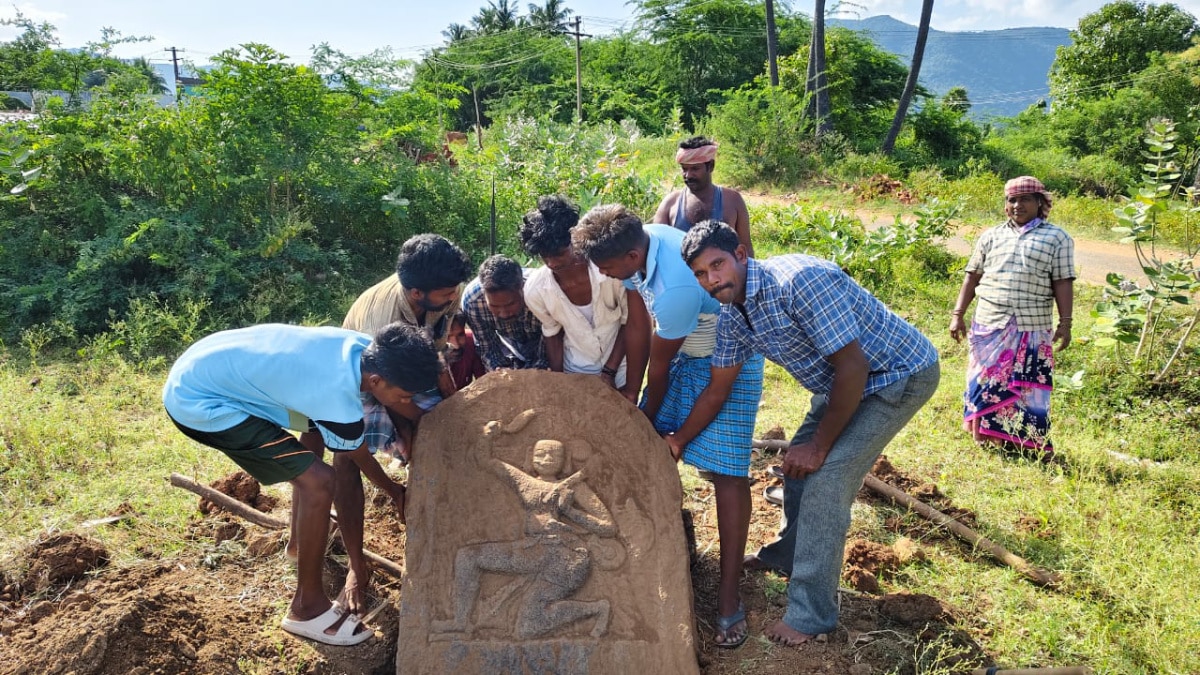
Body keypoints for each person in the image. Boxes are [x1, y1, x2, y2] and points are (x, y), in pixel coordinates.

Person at [681, 220, 941, 648]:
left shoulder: (799, 282)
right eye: (700, 274)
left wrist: (819, 445)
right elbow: (717, 388)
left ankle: (811, 615)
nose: (712, 280)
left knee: (824, 483)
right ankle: (786, 555)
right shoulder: (732, 314)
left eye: (717, 265)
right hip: (839, 384)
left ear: (741, 255)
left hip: (895, 375)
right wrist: (677, 439)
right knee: (795, 468)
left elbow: (854, 367)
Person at [162, 322, 440, 646]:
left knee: (314, 431)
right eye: (403, 396)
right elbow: (360, 458)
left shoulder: (365, 349)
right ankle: (306, 608)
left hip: (204, 363)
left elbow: (328, 420)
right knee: (320, 482)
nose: (406, 403)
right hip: (199, 402)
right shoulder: (337, 397)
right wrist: (395, 492)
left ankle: (298, 545)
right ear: (376, 382)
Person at [571, 204, 764, 649]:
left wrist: (643, 417)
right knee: (652, 445)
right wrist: (635, 408)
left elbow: (659, 369)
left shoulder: (675, 286)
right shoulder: (646, 241)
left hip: (725, 360)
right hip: (686, 355)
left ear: (632, 256)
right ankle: (659, 549)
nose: (604, 275)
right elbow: (643, 328)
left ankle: (729, 596)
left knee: (727, 473)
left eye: (606, 268)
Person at [430, 416, 616, 640]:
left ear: (565, 459)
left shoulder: (575, 487)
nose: (547, 458)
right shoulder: (524, 482)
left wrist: (570, 512)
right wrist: (488, 435)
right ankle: (460, 622)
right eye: (541, 454)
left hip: (566, 557)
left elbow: (608, 527)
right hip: (533, 549)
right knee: (468, 557)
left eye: (554, 454)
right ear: (531, 456)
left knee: (527, 627)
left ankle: (597, 609)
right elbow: (486, 461)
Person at [949, 176, 1074, 455]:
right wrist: (958, 314)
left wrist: (1065, 323)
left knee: (1028, 388)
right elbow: (972, 276)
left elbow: (1063, 281)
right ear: (1006, 205)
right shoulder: (991, 236)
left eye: (1025, 199)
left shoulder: (1057, 238)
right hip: (989, 322)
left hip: (1032, 325)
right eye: (1012, 200)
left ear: (1040, 203)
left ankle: (1020, 442)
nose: (1017, 205)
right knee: (983, 380)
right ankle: (984, 436)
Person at [342, 233, 474, 458]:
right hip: (365, 376)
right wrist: (413, 425)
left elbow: (436, 351)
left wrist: (452, 403)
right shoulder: (381, 322)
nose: (454, 297)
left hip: (409, 364)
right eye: (447, 294)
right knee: (370, 443)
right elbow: (386, 388)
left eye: (455, 290)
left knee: (444, 415)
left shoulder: (446, 289)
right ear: (416, 293)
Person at [519, 194, 651, 404]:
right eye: (545, 257)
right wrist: (560, 381)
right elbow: (552, 335)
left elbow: (631, 323)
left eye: (560, 253)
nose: (552, 263)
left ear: (574, 240)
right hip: (576, 372)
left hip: (622, 369)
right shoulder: (536, 291)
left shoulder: (612, 272)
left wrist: (609, 371)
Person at [652, 135, 754, 256]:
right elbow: (656, 248)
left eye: (695, 169)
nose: (688, 175)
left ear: (711, 166)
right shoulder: (670, 203)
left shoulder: (732, 201)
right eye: (684, 169)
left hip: (722, 275)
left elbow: (745, 247)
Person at [460, 254, 549, 371]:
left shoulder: (541, 291)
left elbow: (552, 336)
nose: (503, 313)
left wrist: (539, 369)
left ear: (522, 288)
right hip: (506, 342)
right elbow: (487, 346)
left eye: (510, 305)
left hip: (542, 338)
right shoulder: (473, 302)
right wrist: (499, 369)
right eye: (494, 306)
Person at [445, 311, 486, 390]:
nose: (456, 345)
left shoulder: (471, 342)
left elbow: (483, 381)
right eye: (447, 337)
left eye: (460, 335)